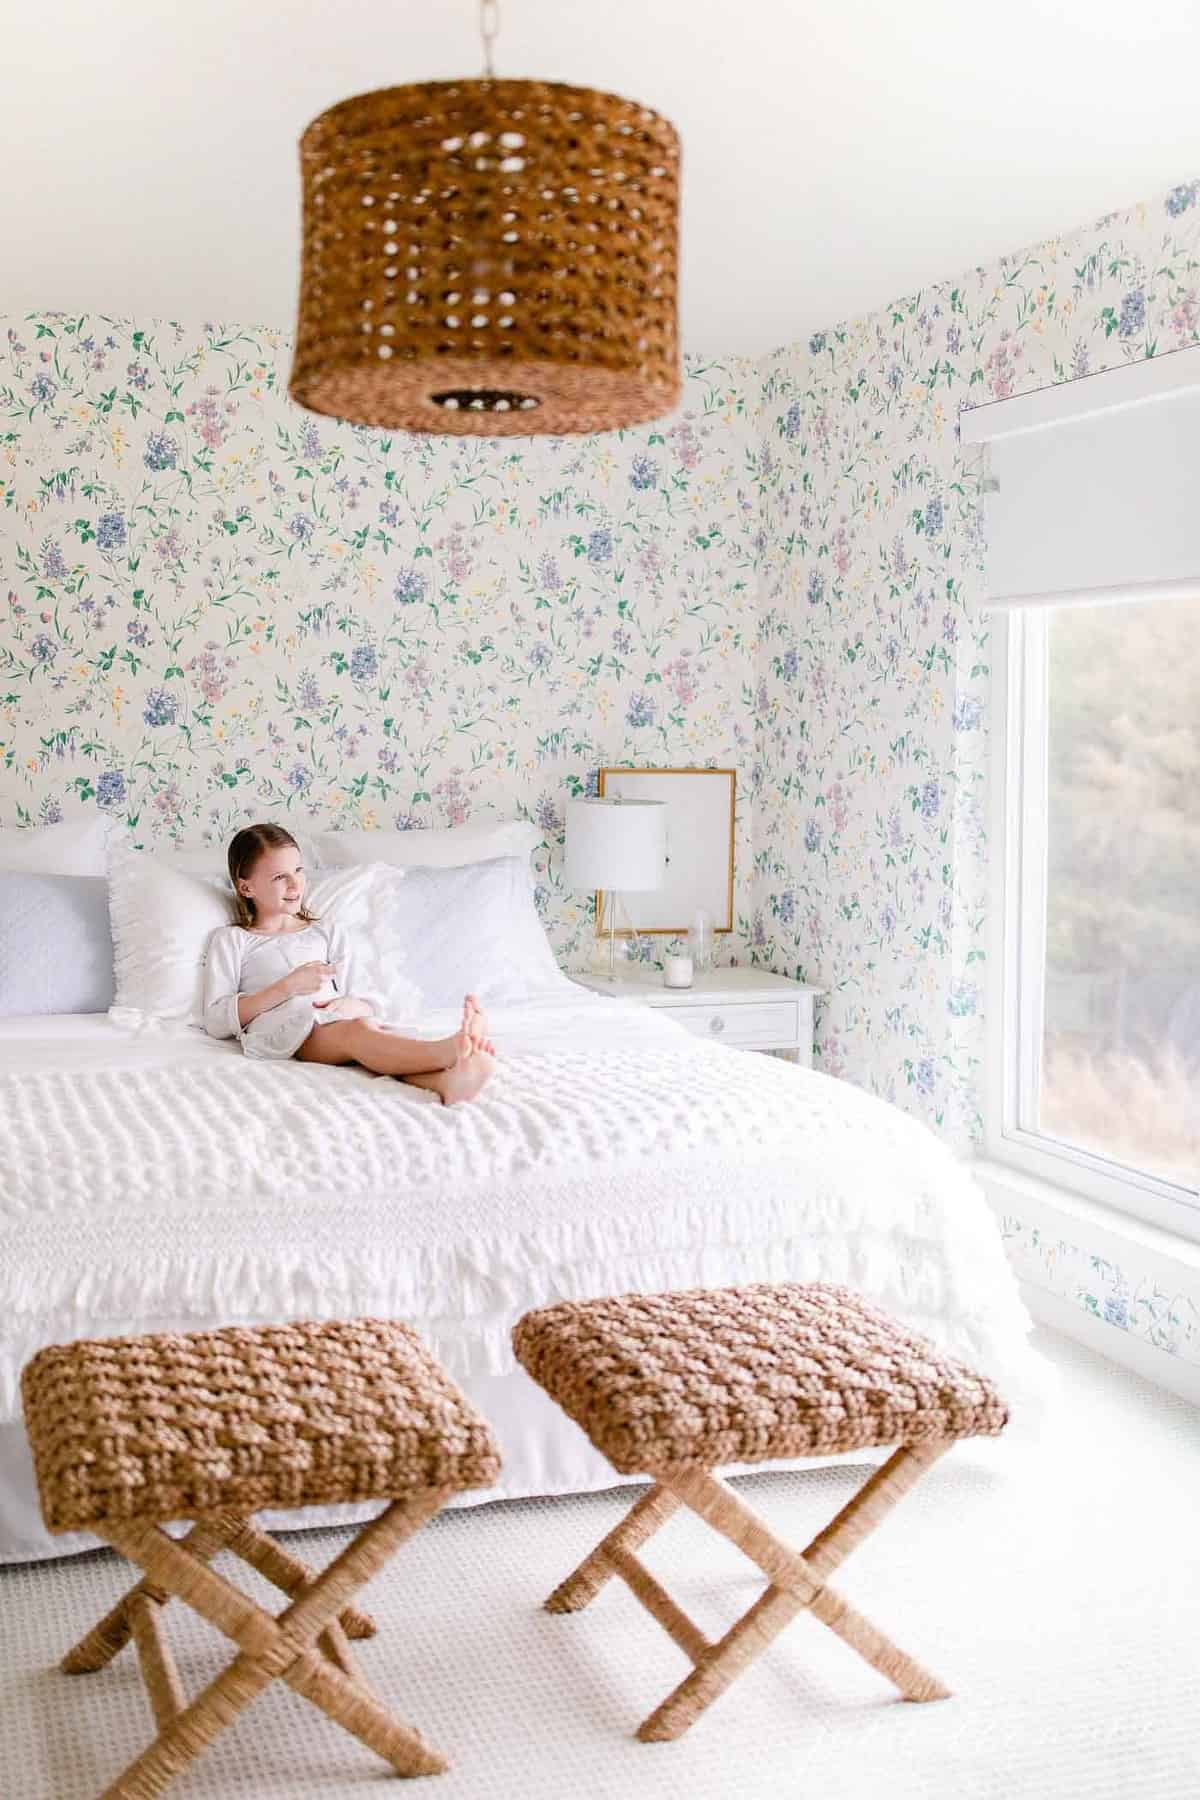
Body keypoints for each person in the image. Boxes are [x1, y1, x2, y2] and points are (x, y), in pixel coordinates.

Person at [202, 822, 495, 1104]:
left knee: (365, 1028)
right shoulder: (233, 940)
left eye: (299, 870)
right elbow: (216, 1021)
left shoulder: (326, 932)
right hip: (286, 1031)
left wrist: (352, 1006)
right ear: (246, 888)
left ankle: (448, 1083)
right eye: (279, 877)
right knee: (357, 1033)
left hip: (336, 1022)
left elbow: (366, 996)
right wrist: (286, 987)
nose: (295, 884)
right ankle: (449, 1050)